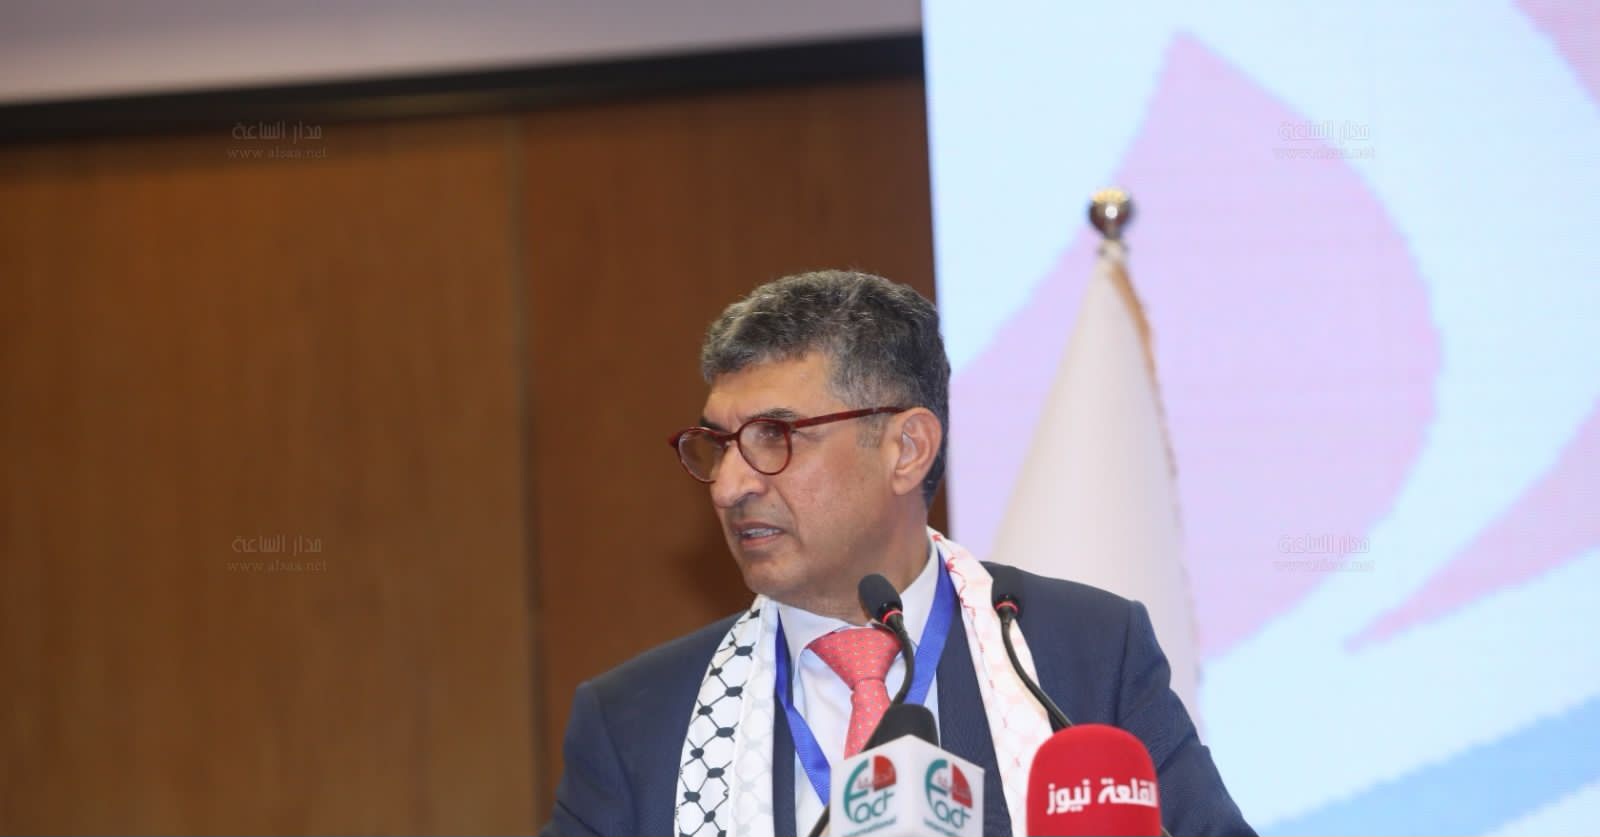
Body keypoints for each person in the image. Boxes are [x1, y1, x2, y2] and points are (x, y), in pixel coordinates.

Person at [542, 270, 1253, 836]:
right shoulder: (636, 723)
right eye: (719, 445)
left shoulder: (1086, 656)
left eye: (774, 436)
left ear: (907, 449)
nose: (730, 486)